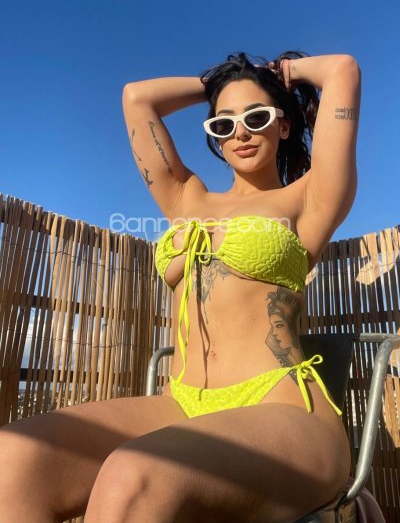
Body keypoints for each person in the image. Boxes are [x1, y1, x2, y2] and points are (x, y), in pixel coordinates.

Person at [0, 51, 361, 522]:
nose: (241, 132)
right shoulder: (187, 197)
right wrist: (218, 81)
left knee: (134, 477)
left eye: (256, 117)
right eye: (224, 124)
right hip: (183, 403)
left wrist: (276, 72)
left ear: (284, 125)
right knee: (14, 458)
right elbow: (137, 98)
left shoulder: (309, 198)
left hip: (283, 406)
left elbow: (342, 70)